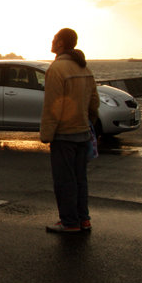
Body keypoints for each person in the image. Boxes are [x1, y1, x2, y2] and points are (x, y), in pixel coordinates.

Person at [40, 28, 100, 233]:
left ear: (61, 44)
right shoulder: (84, 68)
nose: (52, 42)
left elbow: (52, 106)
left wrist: (47, 134)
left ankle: (69, 222)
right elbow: (94, 102)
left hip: (64, 135)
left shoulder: (57, 69)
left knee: (64, 180)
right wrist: (87, 121)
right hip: (83, 132)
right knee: (80, 179)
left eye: (54, 39)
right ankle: (84, 219)